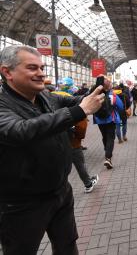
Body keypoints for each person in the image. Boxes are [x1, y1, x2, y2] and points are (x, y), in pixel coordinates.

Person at [0, 45, 104, 254]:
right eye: (32, 67)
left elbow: (77, 102)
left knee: (67, 246)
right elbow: (20, 130)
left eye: (41, 67)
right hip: (22, 204)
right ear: (7, 72)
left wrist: (98, 90)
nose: (40, 73)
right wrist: (80, 110)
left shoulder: (47, 96)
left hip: (60, 192)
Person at [51, 88, 99, 194]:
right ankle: (88, 184)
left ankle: (59, 187)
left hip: (56, 145)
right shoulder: (72, 113)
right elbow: (81, 130)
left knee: (59, 166)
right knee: (79, 164)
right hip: (73, 143)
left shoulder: (50, 111)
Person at [93, 75, 124, 170]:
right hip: (111, 119)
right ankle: (108, 158)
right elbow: (121, 107)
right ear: (108, 86)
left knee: (104, 136)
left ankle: (107, 150)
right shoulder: (112, 95)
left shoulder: (95, 94)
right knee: (111, 137)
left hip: (99, 119)